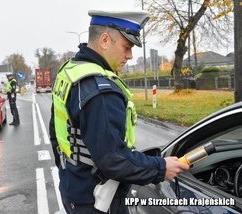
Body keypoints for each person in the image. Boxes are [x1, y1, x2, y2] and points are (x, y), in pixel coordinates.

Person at [49, 10, 189, 214]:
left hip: (73, 192)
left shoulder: (69, 72)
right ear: (105, 40)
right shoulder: (100, 90)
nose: (130, 56)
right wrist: (161, 168)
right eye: (127, 47)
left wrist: (71, 174)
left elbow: (57, 135)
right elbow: (114, 160)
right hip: (97, 202)